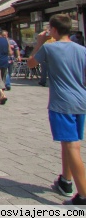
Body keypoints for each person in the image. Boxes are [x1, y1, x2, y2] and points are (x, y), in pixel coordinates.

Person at [27, 14, 86, 206]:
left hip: (61, 103)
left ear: (53, 30)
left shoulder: (49, 48)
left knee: (72, 146)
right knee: (68, 142)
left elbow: (31, 63)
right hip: (80, 101)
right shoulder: (81, 49)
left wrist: (39, 42)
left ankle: (83, 195)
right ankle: (65, 181)